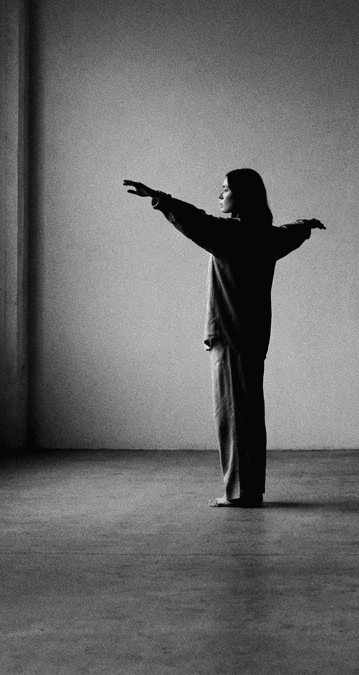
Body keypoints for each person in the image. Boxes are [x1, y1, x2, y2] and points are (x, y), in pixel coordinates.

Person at [123, 170, 324, 508]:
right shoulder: (265, 236)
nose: (220, 194)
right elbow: (288, 235)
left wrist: (160, 199)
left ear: (242, 197)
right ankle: (249, 490)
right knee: (247, 413)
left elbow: (195, 221)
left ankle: (243, 493)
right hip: (254, 336)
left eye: (226, 189)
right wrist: (305, 226)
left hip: (230, 336)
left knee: (232, 414)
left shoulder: (231, 234)